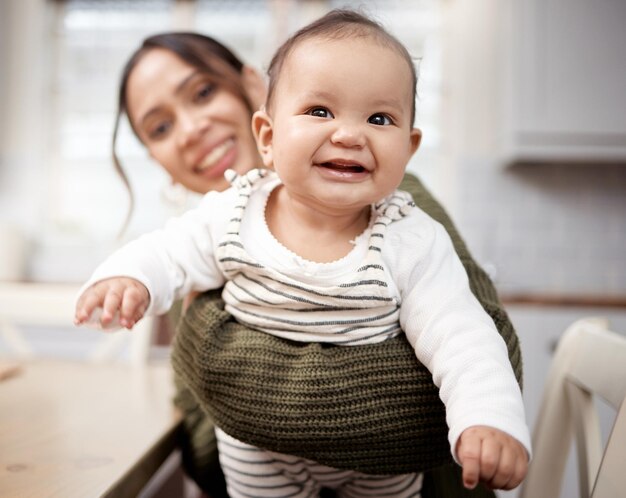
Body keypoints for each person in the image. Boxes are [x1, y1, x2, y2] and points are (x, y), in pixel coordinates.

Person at [77, 10, 530, 498]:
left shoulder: (403, 224)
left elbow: (466, 336)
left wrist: (486, 416)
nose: (349, 135)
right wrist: (127, 278)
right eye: (161, 127)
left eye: (203, 92)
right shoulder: (225, 219)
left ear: (252, 85)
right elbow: (162, 254)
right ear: (268, 133)